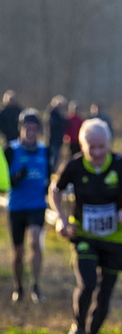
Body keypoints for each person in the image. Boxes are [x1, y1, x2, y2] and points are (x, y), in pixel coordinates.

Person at [49, 119, 122, 334]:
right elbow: (55, 190)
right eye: (91, 147)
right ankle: (77, 327)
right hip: (84, 235)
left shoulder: (121, 165)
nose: (97, 153)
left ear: (109, 143)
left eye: (101, 147)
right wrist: (61, 219)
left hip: (113, 238)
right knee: (87, 284)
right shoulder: (74, 166)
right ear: (82, 145)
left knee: (105, 293)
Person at [5, 111, 51, 303]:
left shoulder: (45, 151)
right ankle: (18, 286)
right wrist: (16, 179)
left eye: (34, 129)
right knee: (18, 251)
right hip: (16, 206)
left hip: (37, 205)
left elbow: (49, 177)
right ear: (20, 129)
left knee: (35, 242)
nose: (31, 133)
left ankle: (35, 285)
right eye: (27, 129)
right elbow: (3, 182)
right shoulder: (10, 151)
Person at [46, 96, 68, 175]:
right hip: (53, 139)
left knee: (57, 157)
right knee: (53, 157)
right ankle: (51, 172)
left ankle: (54, 171)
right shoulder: (52, 114)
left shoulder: (60, 115)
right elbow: (54, 125)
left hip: (59, 139)